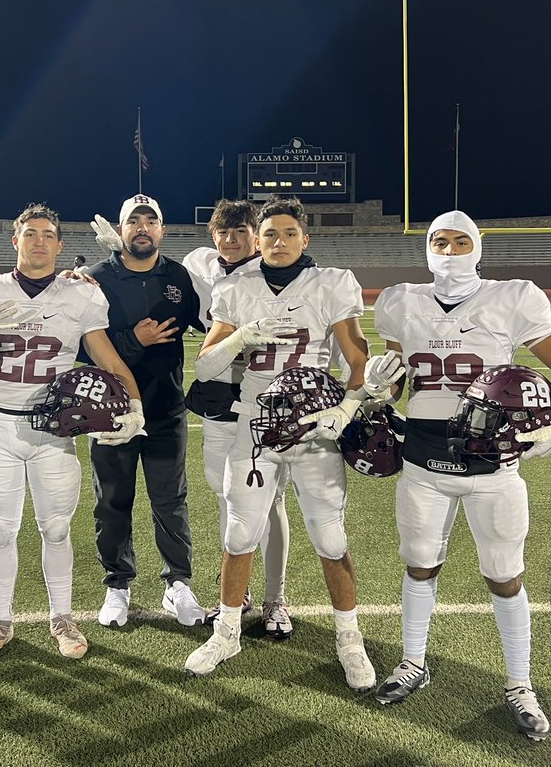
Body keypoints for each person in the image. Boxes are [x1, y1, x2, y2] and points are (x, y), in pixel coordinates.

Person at [369, 210, 551, 742]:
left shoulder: (511, 296)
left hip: (492, 463)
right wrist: (380, 386)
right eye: (438, 241)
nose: (447, 250)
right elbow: (398, 385)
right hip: (422, 460)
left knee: (504, 574)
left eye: (459, 240)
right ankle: (413, 663)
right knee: (420, 565)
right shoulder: (401, 301)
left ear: (478, 245)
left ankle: (520, 683)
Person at [183, 196, 378, 691]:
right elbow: (205, 366)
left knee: (329, 535)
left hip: (315, 423)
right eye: (270, 234)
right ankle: (227, 631)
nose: (279, 242)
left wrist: (347, 409)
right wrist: (239, 338)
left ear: (304, 238)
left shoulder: (331, 283)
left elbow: (358, 359)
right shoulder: (235, 287)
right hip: (255, 420)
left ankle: (348, 639)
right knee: (239, 530)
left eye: (289, 233)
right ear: (258, 240)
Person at [0, 203, 144, 664]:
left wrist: (134, 408)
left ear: (60, 245)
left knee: (56, 529)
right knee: (0, 533)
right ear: (15, 241)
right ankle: (0, 621)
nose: (39, 241)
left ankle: (61, 617)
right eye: (30, 233)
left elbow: (109, 360)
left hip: (54, 430)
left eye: (48, 235)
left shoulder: (81, 295)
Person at [84, 194, 207, 627]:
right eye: (132, 221)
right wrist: (133, 340)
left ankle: (178, 584)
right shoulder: (95, 278)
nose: (141, 227)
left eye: (149, 220)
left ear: (162, 229)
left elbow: (212, 322)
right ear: (120, 231)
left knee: (170, 501)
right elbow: (84, 350)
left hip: (166, 409)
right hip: (111, 412)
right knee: (113, 501)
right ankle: (118, 584)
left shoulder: (178, 276)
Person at [181, 199, 294, 640]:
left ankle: (275, 598)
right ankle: (237, 590)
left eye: (241, 231)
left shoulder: (276, 274)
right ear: (212, 235)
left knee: (272, 502)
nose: (231, 240)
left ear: (256, 234)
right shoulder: (203, 264)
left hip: (264, 394)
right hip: (216, 392)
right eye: (224, 232)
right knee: (227, 496)